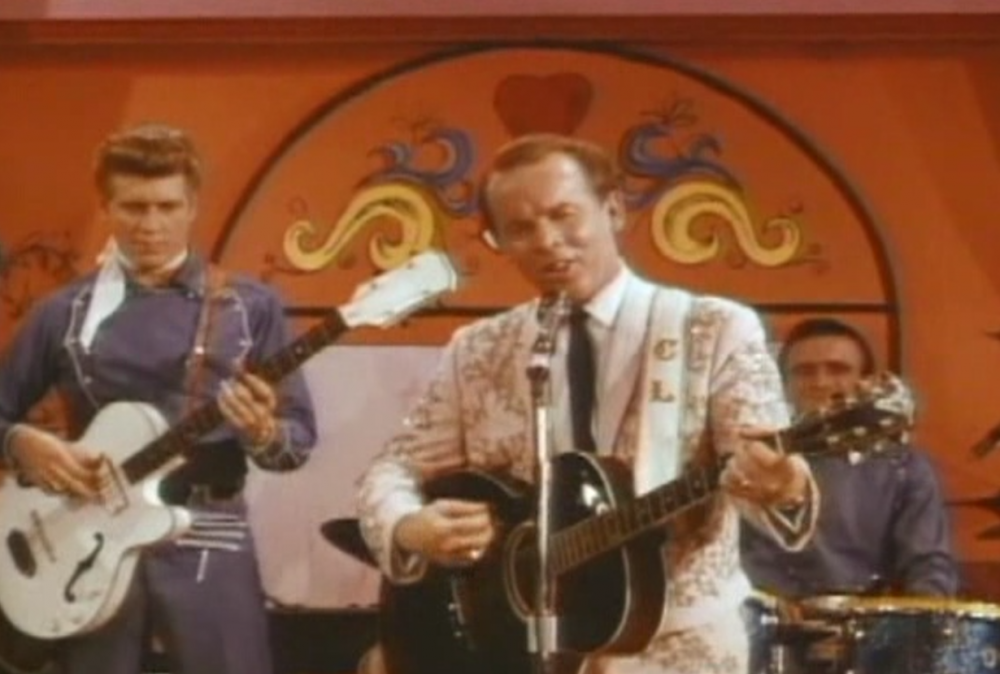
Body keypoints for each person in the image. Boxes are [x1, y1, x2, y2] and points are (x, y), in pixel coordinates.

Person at [356, 133, 820, 674]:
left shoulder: (713, 328)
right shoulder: (477, 349)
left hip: (678, 647)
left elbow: (764, 470)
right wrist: (409, 526)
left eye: (563, 215)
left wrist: (782, 485)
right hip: (513, 650)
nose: (547, 241)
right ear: (498, 241)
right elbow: (391, 469)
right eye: (520, 229)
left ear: (613, 209)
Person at [0, 123, 317, 674]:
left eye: (167, 207)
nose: (150, 225)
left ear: (192, 207)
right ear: (107, 207)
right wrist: (19, 442)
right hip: (85, 541)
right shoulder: (62, 313)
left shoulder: (250, 307)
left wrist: (263, 432)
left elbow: (297, 444)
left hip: (209, 528)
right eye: (133, 207)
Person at [740, 317, 959, 598]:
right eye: (804, 371)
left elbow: (928, 566)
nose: (820, 382)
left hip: (865, 620)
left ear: (864, 382)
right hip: (760, 618)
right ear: (785, 385)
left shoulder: (906, 468)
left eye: (838, 369)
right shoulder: (752, 463)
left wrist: (919, 618)